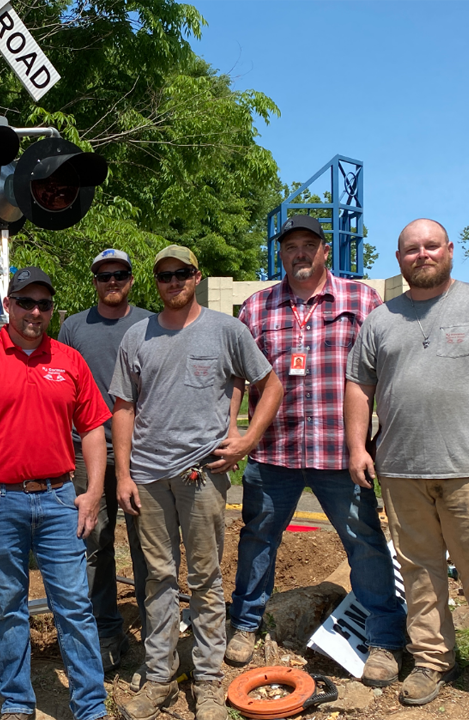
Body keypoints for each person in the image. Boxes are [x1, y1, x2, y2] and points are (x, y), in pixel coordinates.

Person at [344, 219, 469, 720]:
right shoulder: (381, 320)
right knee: (420, 572)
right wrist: (356, 448)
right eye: (411, 249)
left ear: (449, 250)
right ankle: (432, 661)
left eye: (431, 246)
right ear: (399, 258)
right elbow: (359, 387)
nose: (422, 255)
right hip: (401, 470)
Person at [229, 215, 407, 686]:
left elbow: (383, 374)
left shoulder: (361, 299)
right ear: (281, 254)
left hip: (340, 453)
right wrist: (233, 432)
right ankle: (245, 624)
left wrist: (375, 442)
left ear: (326, 251)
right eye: (291, 246)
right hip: (274, 452)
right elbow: (237, 376)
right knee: (257, 540)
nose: (300, 253)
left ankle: (385, 640)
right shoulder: (257, 307)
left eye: (310, 245)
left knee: (364, 544)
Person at [110, 246, 283, 720]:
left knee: (206, 579)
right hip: (148, 477)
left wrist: (248, 438)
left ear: (196, 276)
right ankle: (160, 678)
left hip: (202, 475)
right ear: (156, 282)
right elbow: (122, 408)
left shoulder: (226, 331)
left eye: (181, 273)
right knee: (158, 580)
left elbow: (270, 384)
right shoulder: (135, 337)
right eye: (164, 275)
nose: (172, 282)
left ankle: (207, 682)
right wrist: (123, 474)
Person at [0, 267, 111, 720]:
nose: (35, 312)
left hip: (58, 500)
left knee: (73, 604)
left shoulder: (69, 361)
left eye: (44, 304)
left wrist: (92, 492)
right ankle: (18, 700)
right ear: (7, 305)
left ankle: (90, 706)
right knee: (9, 606)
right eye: (26, 302)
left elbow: (93, 428)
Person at [56, 248, 153, 672]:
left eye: (119, 274)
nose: (112, 281)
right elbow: (58, 388)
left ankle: (156, 634)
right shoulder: (72, 327)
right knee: (94, 547)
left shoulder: (151, 323)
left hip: (145, 454)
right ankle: (106, 632)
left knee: (148, 548)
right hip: (85, 454)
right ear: (94, 281)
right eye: (104, 275)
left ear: (131, 280)